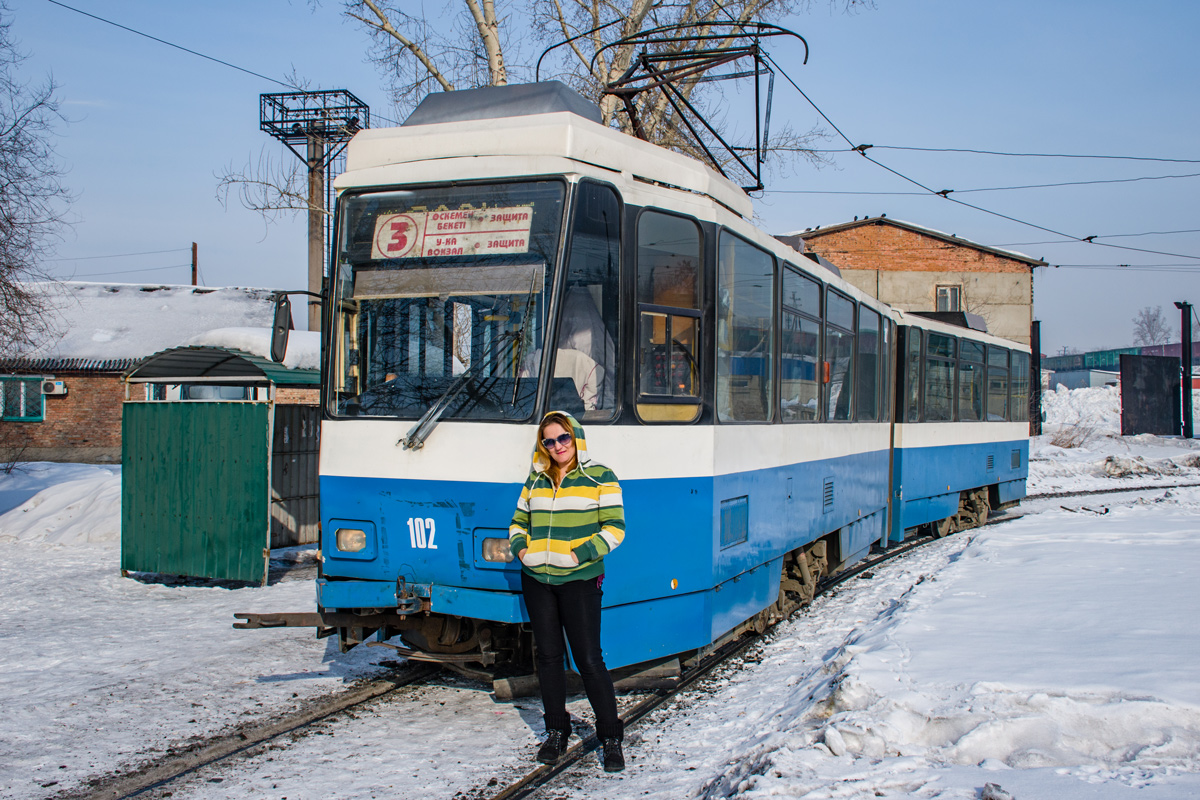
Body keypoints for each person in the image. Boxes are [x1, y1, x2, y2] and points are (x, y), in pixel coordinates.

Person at [509, 410, 626, 772]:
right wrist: (522, 550)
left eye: (563, 438)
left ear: (576, 437)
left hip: (579, 580)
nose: (557, 446)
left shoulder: (600, 477)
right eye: (549, 441)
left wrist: (579, 556)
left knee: (589, 660)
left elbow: (615, 529)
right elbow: (518, 521)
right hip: (538, 580)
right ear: (542, 446)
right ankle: (557, 731)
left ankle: (610, 739)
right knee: (547, 657)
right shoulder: (536, 479)